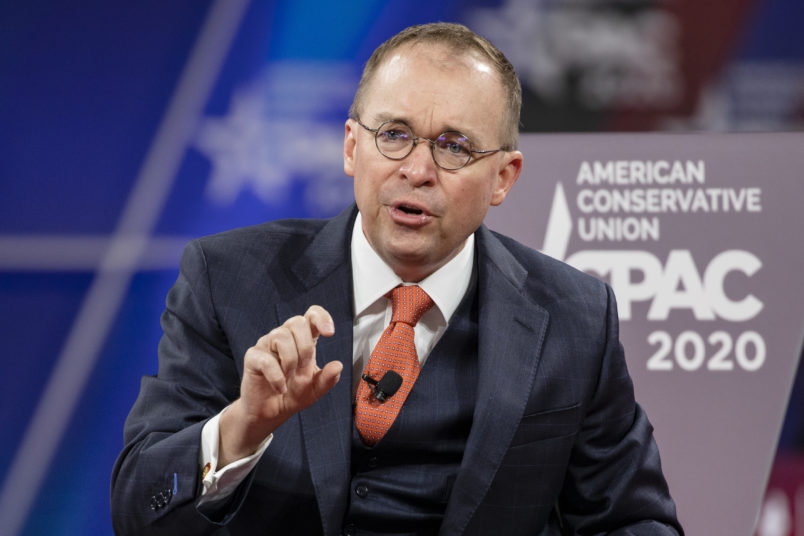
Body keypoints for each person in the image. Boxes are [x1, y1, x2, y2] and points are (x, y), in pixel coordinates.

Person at [111, 22, 682, 535]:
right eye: (394, 134)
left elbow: (632, 520)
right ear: (352, 146)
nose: (416, 169)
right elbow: (137, 509)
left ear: (503, 178)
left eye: (454, 147)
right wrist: (244, 425)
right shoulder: (228, 278)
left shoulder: (573, 315)